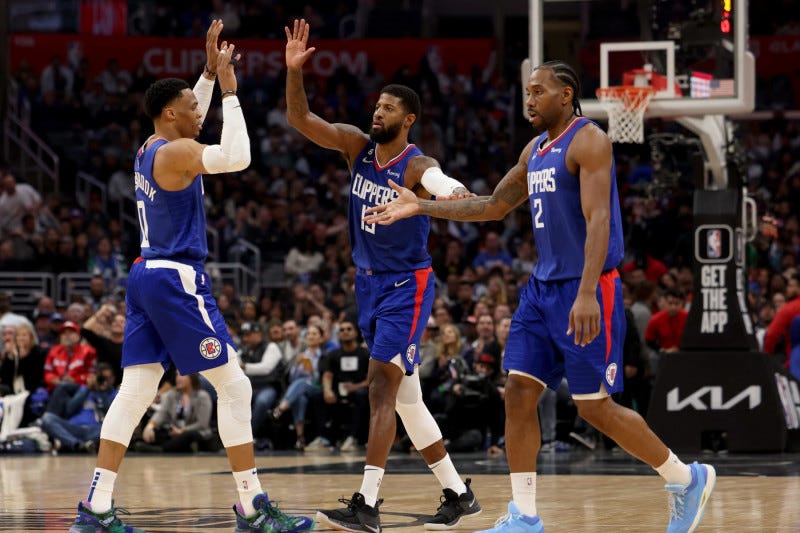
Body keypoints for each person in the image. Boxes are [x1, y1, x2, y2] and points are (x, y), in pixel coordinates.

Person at [364, 60, 715, 533]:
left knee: (594, 407)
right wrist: (420, 205)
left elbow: (599, 220)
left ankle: (685, 478)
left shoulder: (589, 140)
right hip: (541, 290)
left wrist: (587, 292)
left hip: (586, 286)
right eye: (527, 92)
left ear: (565, 94)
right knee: (518, 391)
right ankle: (525, 516)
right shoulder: (534, 150)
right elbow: (493, 206)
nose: (529, 100)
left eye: (538, 92)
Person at [69, 21, 314, 533]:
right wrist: (229, 90)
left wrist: (204, 74)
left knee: (136, 391)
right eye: (191, 107)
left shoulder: (150, 146)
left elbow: (188, 116)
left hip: (144, 274)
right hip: (175, 279)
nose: (200, 112)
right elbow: (238, 157)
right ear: (169, 114)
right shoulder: (179, 152)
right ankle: (253, 509)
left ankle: (95, 507)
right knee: (235, 387)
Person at [285, 19, 481, 532]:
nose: (377, 111)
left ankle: (366, 504)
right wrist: (293, 71)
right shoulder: (356, 147)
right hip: (368, 284)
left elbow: (440, 180)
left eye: (388, 108)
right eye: (377, 105)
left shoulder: (416, 165)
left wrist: (453, 192)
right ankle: (459, 494)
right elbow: (300, 117)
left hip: (405, 286)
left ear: (408, 119)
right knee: (409, 403)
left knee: (380, 391)